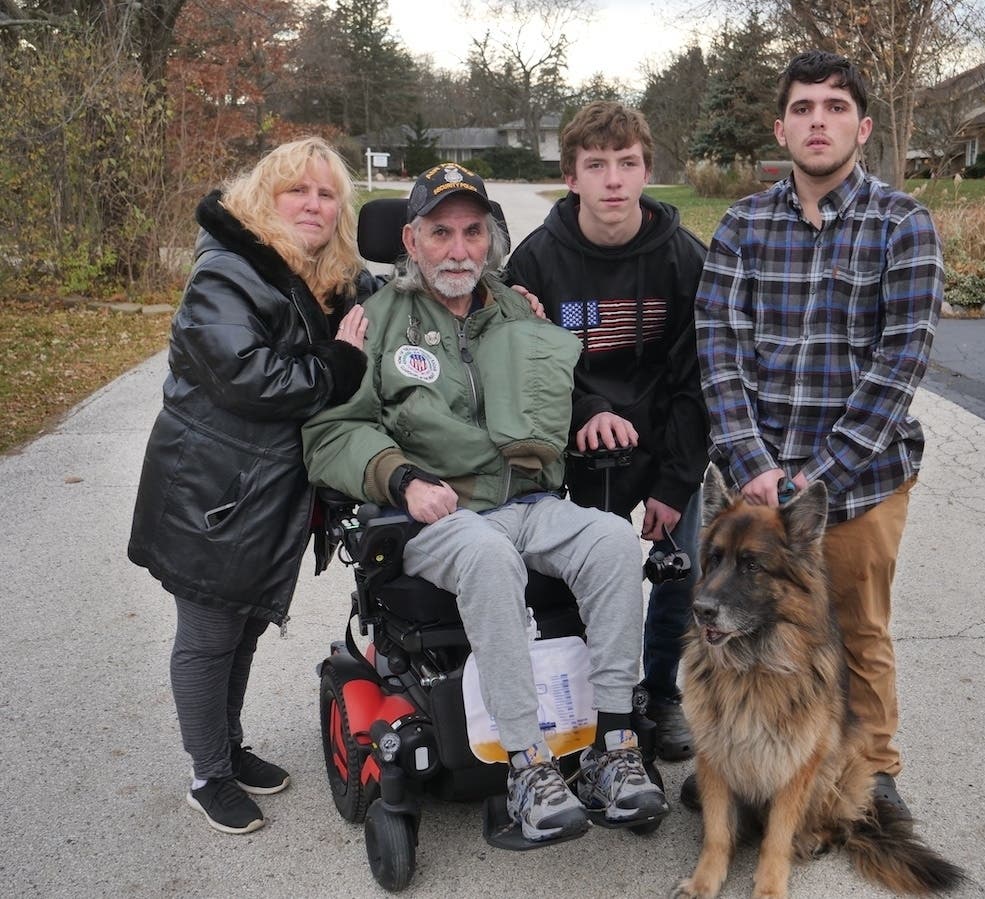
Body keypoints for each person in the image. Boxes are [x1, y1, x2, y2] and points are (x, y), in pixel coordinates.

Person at [302, 162, 669, 843]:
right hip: (436, 516)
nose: (458, 248)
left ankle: (613, 747)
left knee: (614, 542)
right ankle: (527, 764)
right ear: (410, 241)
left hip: (528, 500)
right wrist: (403, 477)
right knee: (489, 551)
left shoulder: (514, 310)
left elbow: (555, 394)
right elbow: (333, 432)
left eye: (473, 231)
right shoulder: (376, 320)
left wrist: (582, 406)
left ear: (490, 240)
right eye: (440, 232)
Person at [692, 51, 944, 818]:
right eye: (802, 108)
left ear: (860, 127)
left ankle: (872, 767)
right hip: (753, 482)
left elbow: (899, 362)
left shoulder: (901, 225)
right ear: (781, 127)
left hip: (861, 478)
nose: (817, 121)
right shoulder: (742, 224)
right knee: (742, 620)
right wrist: (754, 466)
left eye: (834, 108)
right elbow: (718, 348)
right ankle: (746, 762)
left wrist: (816, 477)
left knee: (855, 625)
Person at [128, 137, 376, 836]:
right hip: (213, 490)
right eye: (298, 189)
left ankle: (228, 747)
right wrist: (340, 365)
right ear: (265, 196)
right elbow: (252, 376)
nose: (313, 204)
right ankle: (208, 775)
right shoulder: (228, 271)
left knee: (241, 628)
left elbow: (381, 302)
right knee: (209, 633)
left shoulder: (311, 274)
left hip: (265, 492)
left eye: (327, 195)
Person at [504, 101, 708, 762]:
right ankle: (584, 694)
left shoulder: (684, 260)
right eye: (596, 165)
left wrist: (675, 482)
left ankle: (659, 693)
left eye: (626, 163)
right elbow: (523, 372)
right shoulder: (534, 262)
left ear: (647, 170)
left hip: (660, 444)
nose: (612, 180)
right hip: (574, 450)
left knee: (680, 573)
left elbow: (694, 383)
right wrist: (587, 408)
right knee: (566, 576)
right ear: (570, 176)